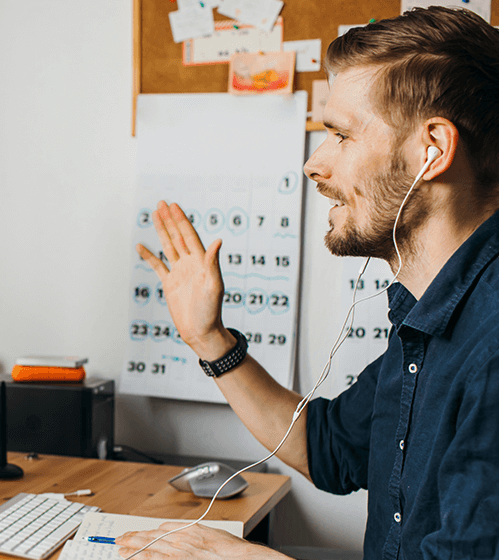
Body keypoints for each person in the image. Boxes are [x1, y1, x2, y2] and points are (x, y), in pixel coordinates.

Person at [118, 7, 499, 559]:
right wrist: (209, 339)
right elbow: (327, 449)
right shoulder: (429, 315)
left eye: (341, 135)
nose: (313, 165)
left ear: (432, 150)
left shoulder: (490, 344)